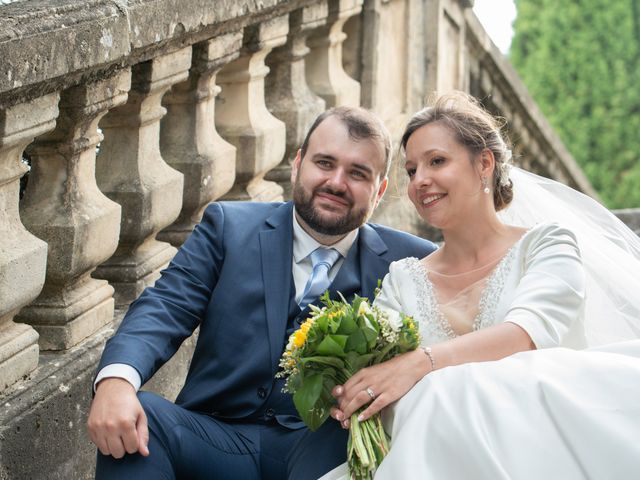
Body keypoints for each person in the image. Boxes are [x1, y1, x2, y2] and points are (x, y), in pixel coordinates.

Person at [86, 106, 438, 480]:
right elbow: (166, 306)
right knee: (138, 417)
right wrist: (116, 380)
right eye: (324, 163)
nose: (336, 182)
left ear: (379, 190)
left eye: (357, 173)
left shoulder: (411, 262)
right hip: (216, 436)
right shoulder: (228, 227)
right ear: (298, 163)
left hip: (326, 450)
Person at [322, 92, 640, 479]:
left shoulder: (546, 245)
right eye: (410, 170)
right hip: (440, 453)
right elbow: (387, 377)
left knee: (447, 389)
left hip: (540, 441)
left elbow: (526, 334)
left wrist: (422, 362)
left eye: (437, 161)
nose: (421, 180)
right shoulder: (403, 277)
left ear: (484, 163)